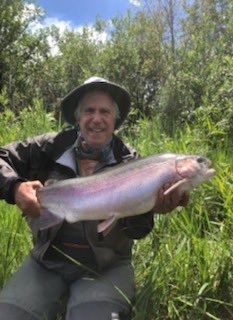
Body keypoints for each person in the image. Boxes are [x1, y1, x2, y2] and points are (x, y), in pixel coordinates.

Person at [0, 77, 188, 320]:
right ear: (78, 118)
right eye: (89, 110)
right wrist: (14, 188)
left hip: (106, 267)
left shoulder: (133, 163)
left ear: (115, 120)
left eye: (105, 111)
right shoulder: (50, 146)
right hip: (47, 261)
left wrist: (152, 206)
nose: (96, 118)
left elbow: (137, 231)